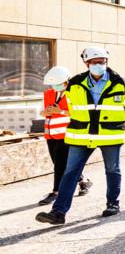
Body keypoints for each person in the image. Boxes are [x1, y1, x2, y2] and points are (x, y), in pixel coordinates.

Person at [36, 48, 125, 225]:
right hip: (80, 135)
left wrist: (112, 121)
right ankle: (58, 213)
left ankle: (113, 204)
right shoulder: (75, 82)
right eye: (94, 62)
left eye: (102, 61)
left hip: (109, 135)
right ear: (86, 64)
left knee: (112, 170)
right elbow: (72, 106)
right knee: (70, 173)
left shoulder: (122, 83)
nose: (99, 65)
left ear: (106, 62)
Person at [37, 66, 92, 206]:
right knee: (61, 164)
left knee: (60, 165)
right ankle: (83, 182)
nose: (54, 86)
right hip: (50, 135)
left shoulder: (74, 94)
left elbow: (79, 113)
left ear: (66, 81)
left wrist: (60, 111)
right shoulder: (49, 93)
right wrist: (47, 112)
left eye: (57, 83)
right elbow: (41, 112)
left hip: (66, 134)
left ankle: (56, 192)